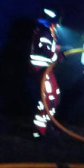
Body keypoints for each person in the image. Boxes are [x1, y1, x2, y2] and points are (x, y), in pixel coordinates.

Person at [29, 7, 61, 138]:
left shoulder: (42, 32)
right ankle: (40, 130)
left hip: (44, 68)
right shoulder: (45, 33)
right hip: (42, 68)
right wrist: (59, 56)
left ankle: (47, 124)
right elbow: (48, 52)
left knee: (54, 95)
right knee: (49, 97)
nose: (56, 26)